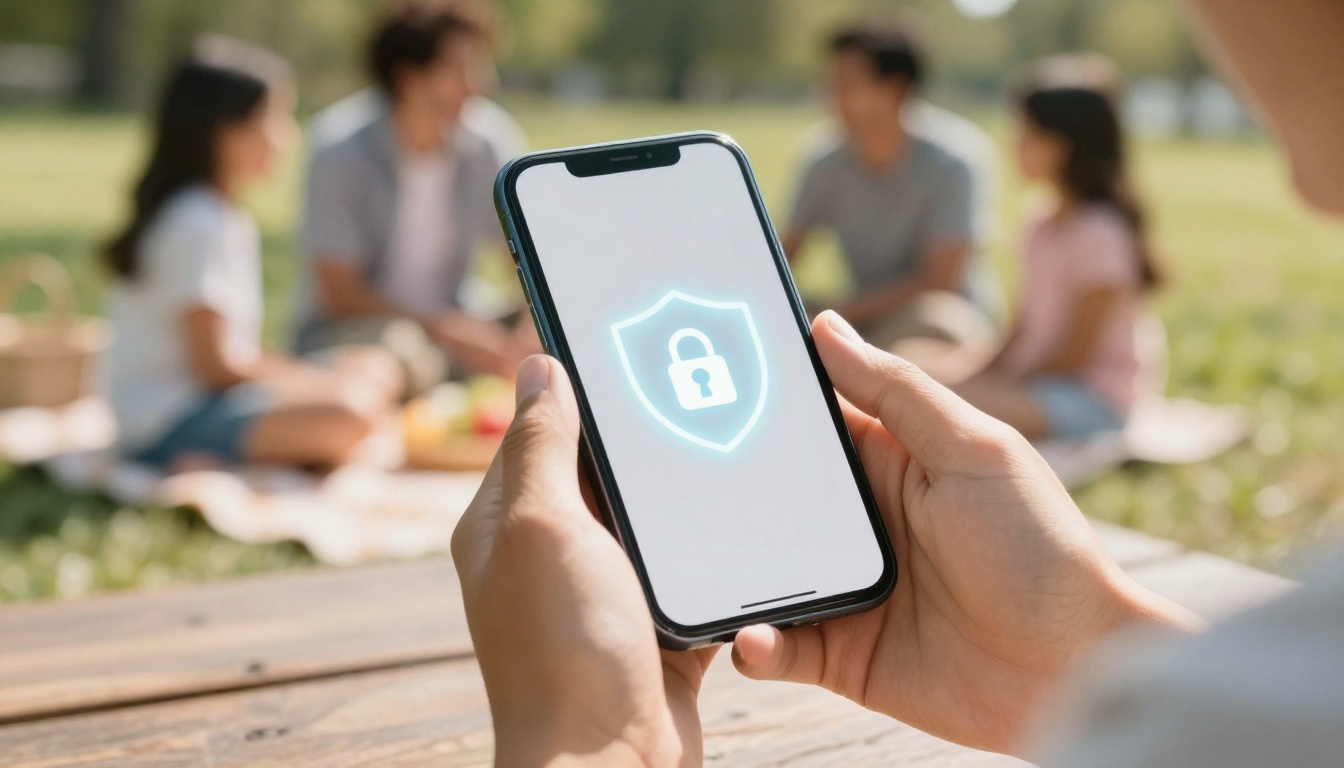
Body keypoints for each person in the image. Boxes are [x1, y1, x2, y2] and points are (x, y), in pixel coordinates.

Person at [450, 0, 1344, 764]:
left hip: (997, 356)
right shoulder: (1277, 696)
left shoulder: (1267, 706)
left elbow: (993, 308)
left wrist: (592, 736)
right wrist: (1074, 649)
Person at [104, 37, 399, 472]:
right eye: (274, 119)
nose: (286, 138)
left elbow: (233, 350)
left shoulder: (221, 214)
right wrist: (311, 383)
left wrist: (311, 380)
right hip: (165, 421)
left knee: (373, 364)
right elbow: (216, 367)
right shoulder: (196, 221)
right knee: (347, 413)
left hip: (211, 398)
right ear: (224, 131)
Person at [294, 0, 535, 394]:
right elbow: (340, 297)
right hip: (357, 335)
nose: (481, 84)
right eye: (461, 69)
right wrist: (447, 329)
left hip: (457, 321)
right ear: (409, 79)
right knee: (398, 354)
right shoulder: (340, 151)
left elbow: (523, 264)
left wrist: (530, 319)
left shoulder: (487, 141)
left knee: (558, 325)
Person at [952, 57, 1162, 441]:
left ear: (1062, 145)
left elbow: (1075, 355)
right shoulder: (1041, 223)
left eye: (1027, 134)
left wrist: (1002, 383)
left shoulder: (1100, 234)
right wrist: (978, 370)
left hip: (1094, 399)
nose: (1014, 145)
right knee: (922, 367)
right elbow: (1022, 325)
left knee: (953, 405)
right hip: (1041, 382)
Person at [782, 20, 1000, 357]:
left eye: (846, 84)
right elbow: (785, 256)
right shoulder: (823, 161)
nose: (830, 96)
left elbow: (940, 282)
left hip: (938, 323)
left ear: (894, 89)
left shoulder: (953, 161)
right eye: (830, 83)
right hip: (864, 316)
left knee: (941, 322)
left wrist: (837, 313)